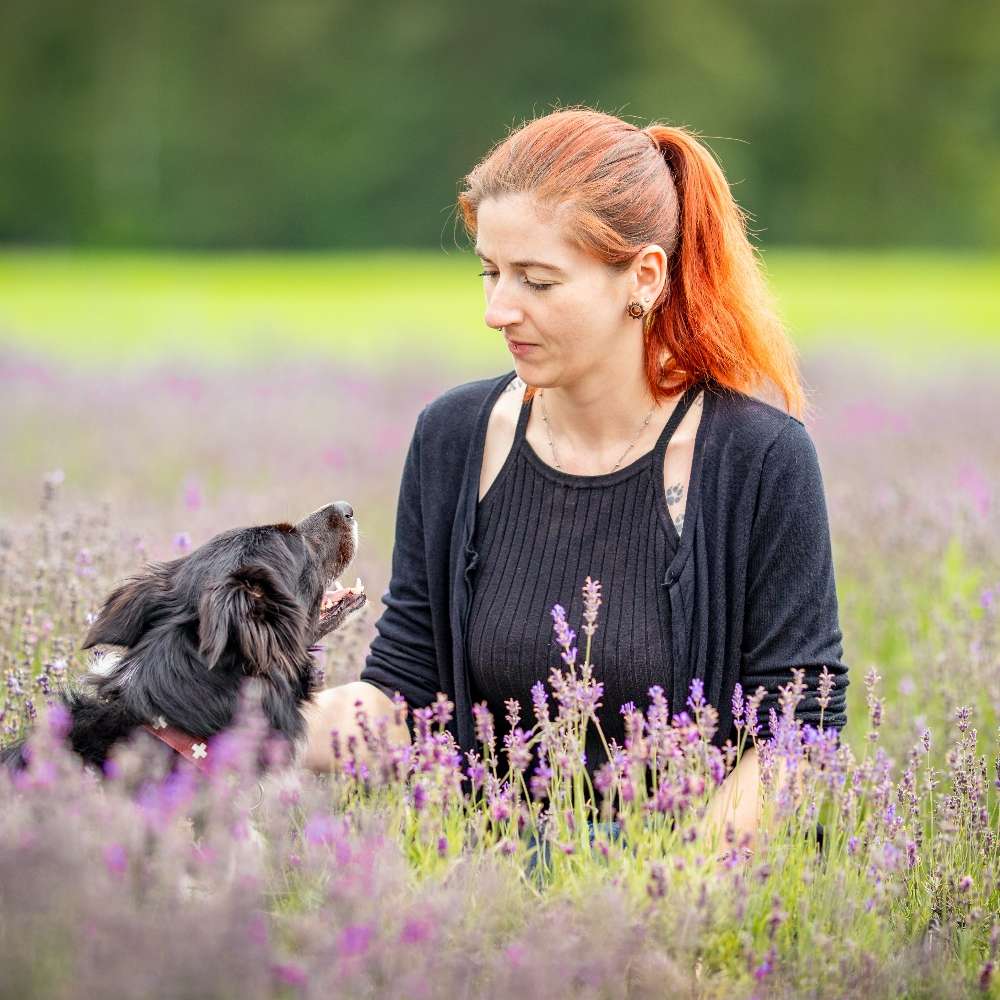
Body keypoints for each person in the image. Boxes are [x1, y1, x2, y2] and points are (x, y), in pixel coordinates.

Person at [300, 106, 849, 855]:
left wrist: (669, 899)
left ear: (643, 277)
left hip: (691, 895)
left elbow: (801, 729)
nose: (498, 310)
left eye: (538, 281)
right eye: (491, 273)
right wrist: (225, 725)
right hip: (486, 885)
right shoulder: (454, 439)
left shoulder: (758, 459)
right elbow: (403, 696)